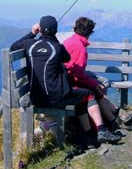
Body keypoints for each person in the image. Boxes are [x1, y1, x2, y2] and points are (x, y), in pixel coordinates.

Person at [10, 15, 120, 145]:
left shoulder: (29, 44)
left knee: (80, 96)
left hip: (36, 98)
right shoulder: (57, 48)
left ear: (40, 29)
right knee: (88, 95)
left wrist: (32, 33)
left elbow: (13, 47)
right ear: (55, 31)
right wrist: (52, 37)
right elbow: (66, 58)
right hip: (56, 97)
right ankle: (98, 132)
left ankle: (89, 137)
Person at [63, 16, 132, 130]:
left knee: (102, 83)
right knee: (98, 89)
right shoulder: (79, 47)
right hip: (71, 80)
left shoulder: (70, 41)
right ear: (89, 32)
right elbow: (78, 74)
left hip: (66, 78)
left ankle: (118, 115)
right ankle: (114, 119)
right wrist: (94, 84)